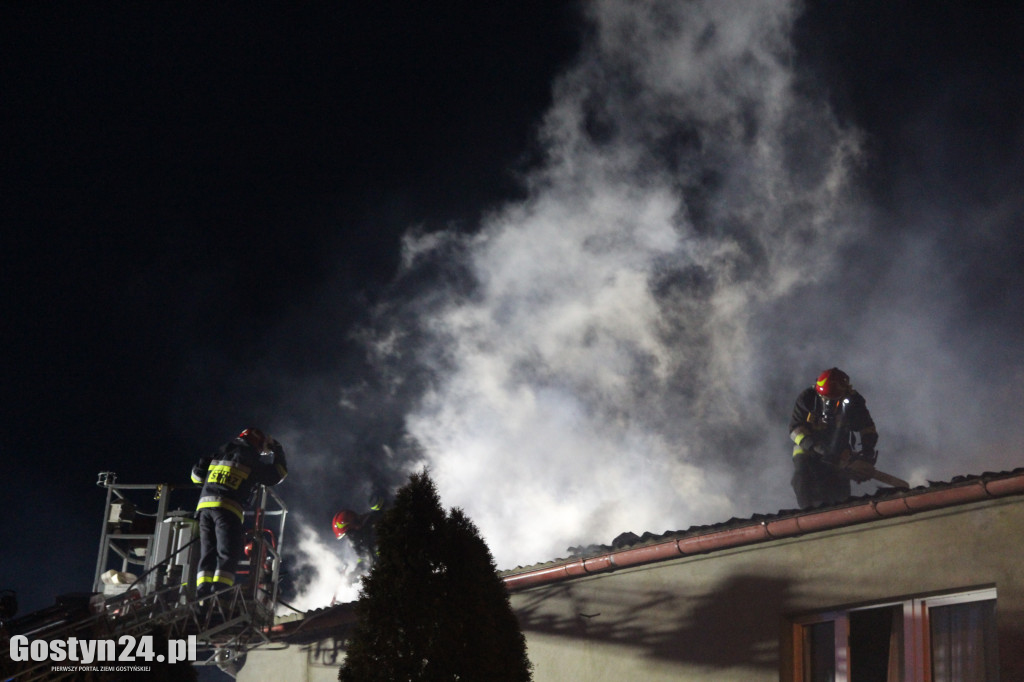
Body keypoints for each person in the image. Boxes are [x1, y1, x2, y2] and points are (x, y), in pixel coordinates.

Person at [190, 428, 288, 599]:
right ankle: (220, 595)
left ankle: (202, 596)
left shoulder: (221, 452)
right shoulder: (250, 457)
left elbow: (196, 477)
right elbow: (277, 474)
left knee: (207, 554)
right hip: (227, 509)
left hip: (204, 509)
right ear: (257, 444)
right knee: (228, 553)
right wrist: (277, 450)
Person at [789, 368, 878, 509]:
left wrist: (866, 456)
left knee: (839, 492)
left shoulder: (854, 402)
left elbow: (867, 429)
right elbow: (795, 430)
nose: (828, 404)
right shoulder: (807, 398)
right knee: (802, 478)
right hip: (808, 451)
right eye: (824, 399)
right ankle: (808, 514)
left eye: (834, 400)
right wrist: (818, 448)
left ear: (845, 394)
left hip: (839, 454)